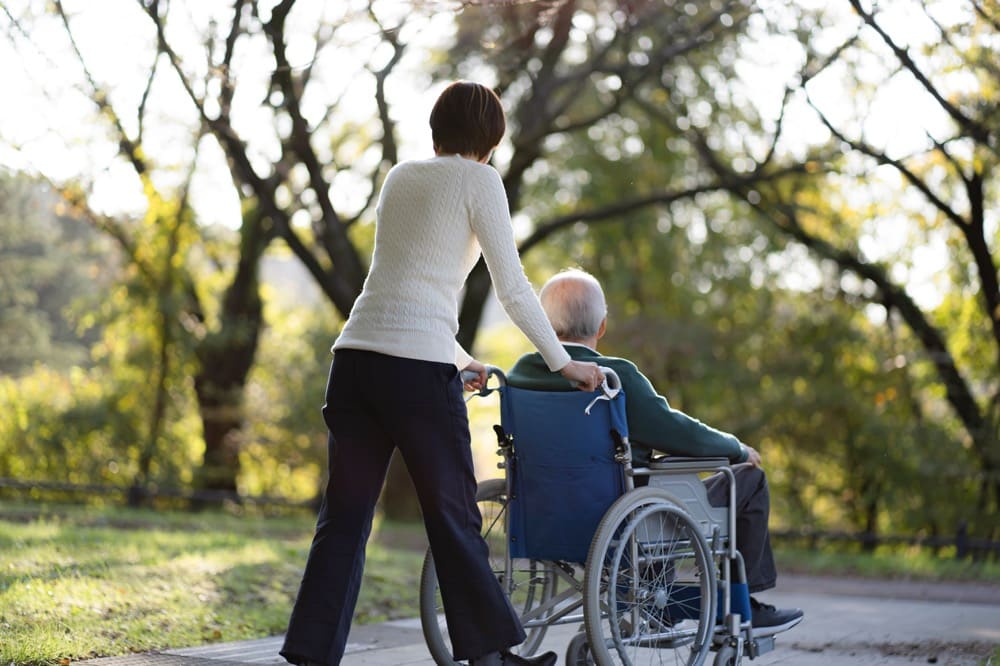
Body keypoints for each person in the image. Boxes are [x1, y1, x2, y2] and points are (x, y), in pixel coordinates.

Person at [279, 83, 603, 666]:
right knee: (454, 515)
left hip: (355, 362)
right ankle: (490, 657)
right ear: (492, 139)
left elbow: (401, 289)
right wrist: (564, 361)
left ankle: (309, 654)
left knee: (344, 520)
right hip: (415, 377)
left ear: (437, 130)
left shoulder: (400, 177)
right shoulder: (481, 180)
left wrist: (458, 358)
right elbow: (512, 287)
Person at [507, 269, 804, 633]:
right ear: (602, 326)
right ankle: (745, 604)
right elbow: (678, 434)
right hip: (622, 518)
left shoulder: (520, 375)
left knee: (652, 484)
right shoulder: (614, 377)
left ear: (542, 324)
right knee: (748, 479)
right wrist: (736, 448)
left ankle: (657, 595)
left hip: (543, 515)